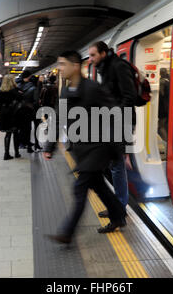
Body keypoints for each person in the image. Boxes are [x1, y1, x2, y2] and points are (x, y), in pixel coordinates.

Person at [44, 50, 126, 244]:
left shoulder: (93, 88)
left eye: (63, 64)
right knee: (100, 187)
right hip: (82, 149)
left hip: (98, 148)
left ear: (75, 66)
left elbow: (114, 114)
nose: (59, 68)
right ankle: (118, 215)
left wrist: (118, 147)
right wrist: (49, 146)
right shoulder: (65, 92)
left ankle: (66, 232)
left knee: (79, 189)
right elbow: (57, 119)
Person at [88, 41, 137, 218]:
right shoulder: (105, 68)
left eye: (93, 55)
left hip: (121, 122)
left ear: (103, 53)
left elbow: (128, 96)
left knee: (116, 166)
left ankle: (120, 208)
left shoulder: (118, 66)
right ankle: (117, 205)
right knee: (113, 165)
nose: (91, 59)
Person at [0, 75, 24, 160]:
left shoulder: (1, 91)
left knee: (8, 133)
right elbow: (21, 99)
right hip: (14, 113)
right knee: (15, 133)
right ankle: (16, 153)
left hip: (4, 113)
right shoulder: (14, 90)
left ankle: (6, 154)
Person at [18, 71, 35, 153]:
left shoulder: (18, 85)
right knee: (28, 128)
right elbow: (34, 99)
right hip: (28, 109)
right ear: (28, 77)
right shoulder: (32, 86)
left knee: (21, 127)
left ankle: (21, 143)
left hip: (19, 110)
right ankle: (27, 144)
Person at [158, 68, 170, 142]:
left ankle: (166, 143)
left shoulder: (162, 82)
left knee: (161, 126)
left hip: (163, 108)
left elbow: (161, 94)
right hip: (169, 107)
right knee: (166, 126)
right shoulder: (171, 80)